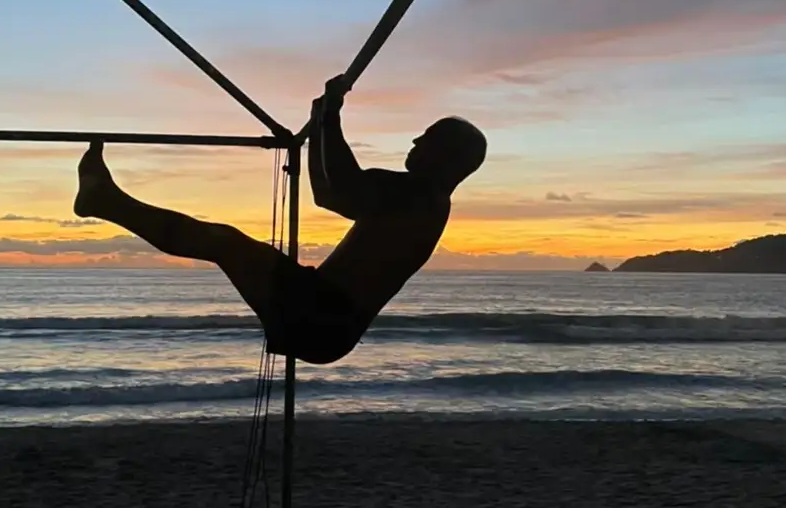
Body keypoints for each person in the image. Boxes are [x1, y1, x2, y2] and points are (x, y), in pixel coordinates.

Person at [73, 76, 487, 364]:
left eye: (428, 137)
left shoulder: (417, 194)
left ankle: (106, 202)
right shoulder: (421, 201)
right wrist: (321, 120)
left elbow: (340, 186)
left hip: (323, 314)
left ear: (448, 156)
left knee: (224, 243)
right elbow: (325, 193)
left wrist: (331, 117)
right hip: (327, 316)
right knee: (225, 243)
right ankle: (107, 201)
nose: (416, 140)